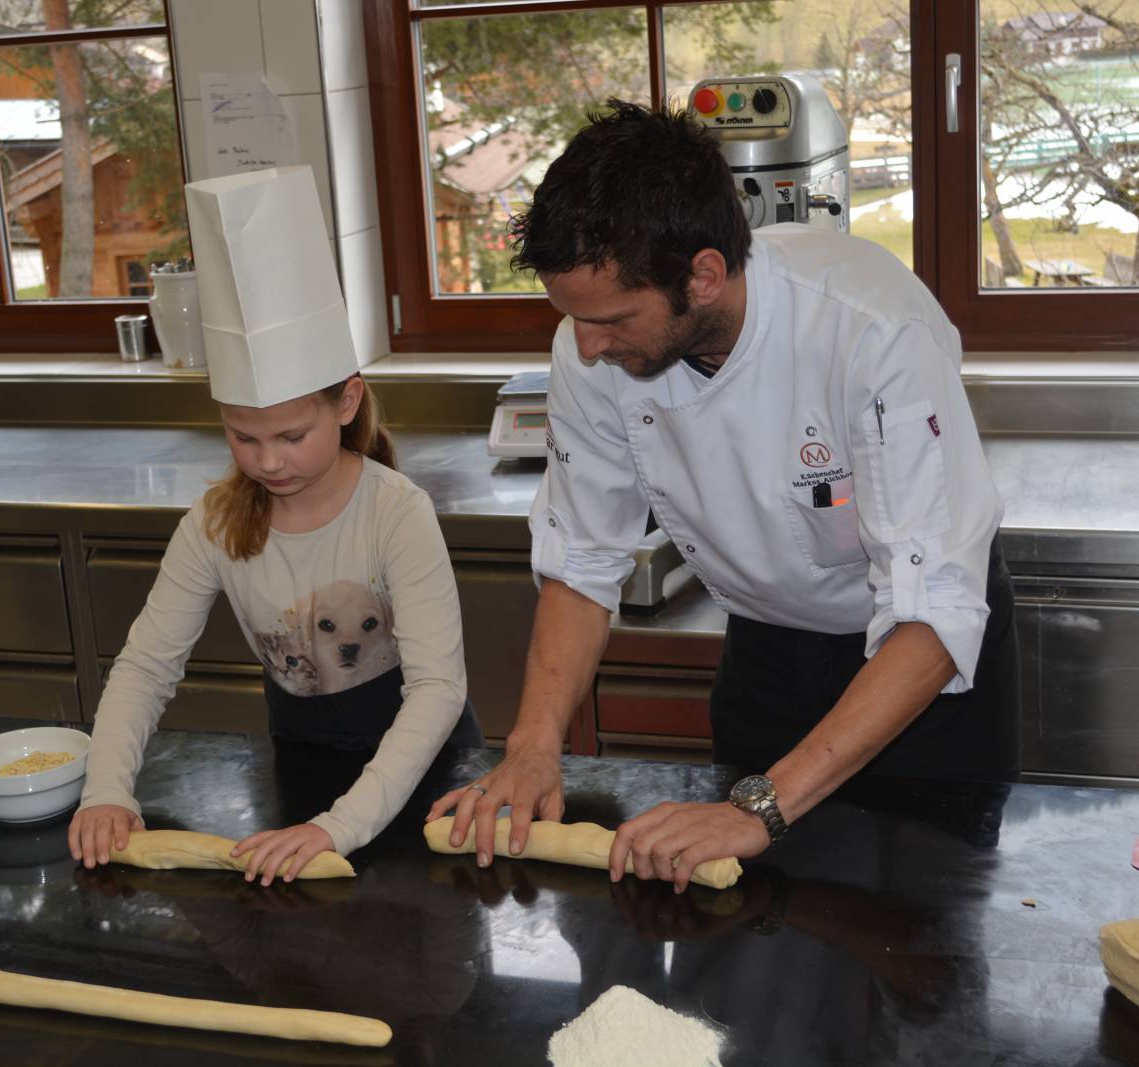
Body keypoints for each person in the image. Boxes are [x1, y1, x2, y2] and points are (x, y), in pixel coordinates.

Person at [429, 101, 1018, 891]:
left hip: (921, 676)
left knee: (923, 947)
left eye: (610, 320)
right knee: (753, 939)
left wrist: (761, 807)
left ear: (702, 275)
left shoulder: (869, 330)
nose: (587, 346)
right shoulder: (590, 343)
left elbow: (936, 608)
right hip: (768, 654)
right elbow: (584, 556)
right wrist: (533, 742)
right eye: (572, 319)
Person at [70, 166, 480, 884]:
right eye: (242, 437)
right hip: (301, 771)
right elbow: (145, 666)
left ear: (347, 401)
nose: (268, 461)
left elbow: (438, 688)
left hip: (425, 777)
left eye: (292, 436)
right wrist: (107, 790)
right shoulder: (216, 524)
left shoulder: (394, 511)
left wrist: (340, 826)